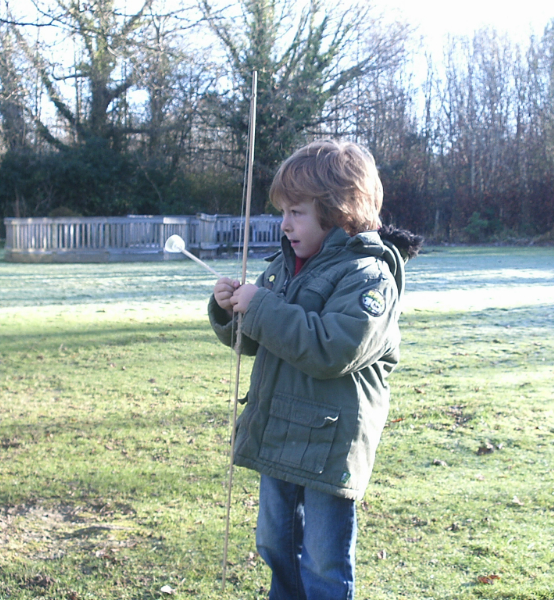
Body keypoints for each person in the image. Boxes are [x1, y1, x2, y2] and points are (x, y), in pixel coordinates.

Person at [208, 138, 422, 600]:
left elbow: (332, 348)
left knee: (323, 562)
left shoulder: (369, 276)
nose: (284, 224)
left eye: (296, 212)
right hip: (279, 431)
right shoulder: (284, 268)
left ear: (339, 212)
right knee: (275, 544)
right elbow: (254, 340)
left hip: (328, 445)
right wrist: (231, 310)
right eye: (282, 212)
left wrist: (260, 307)